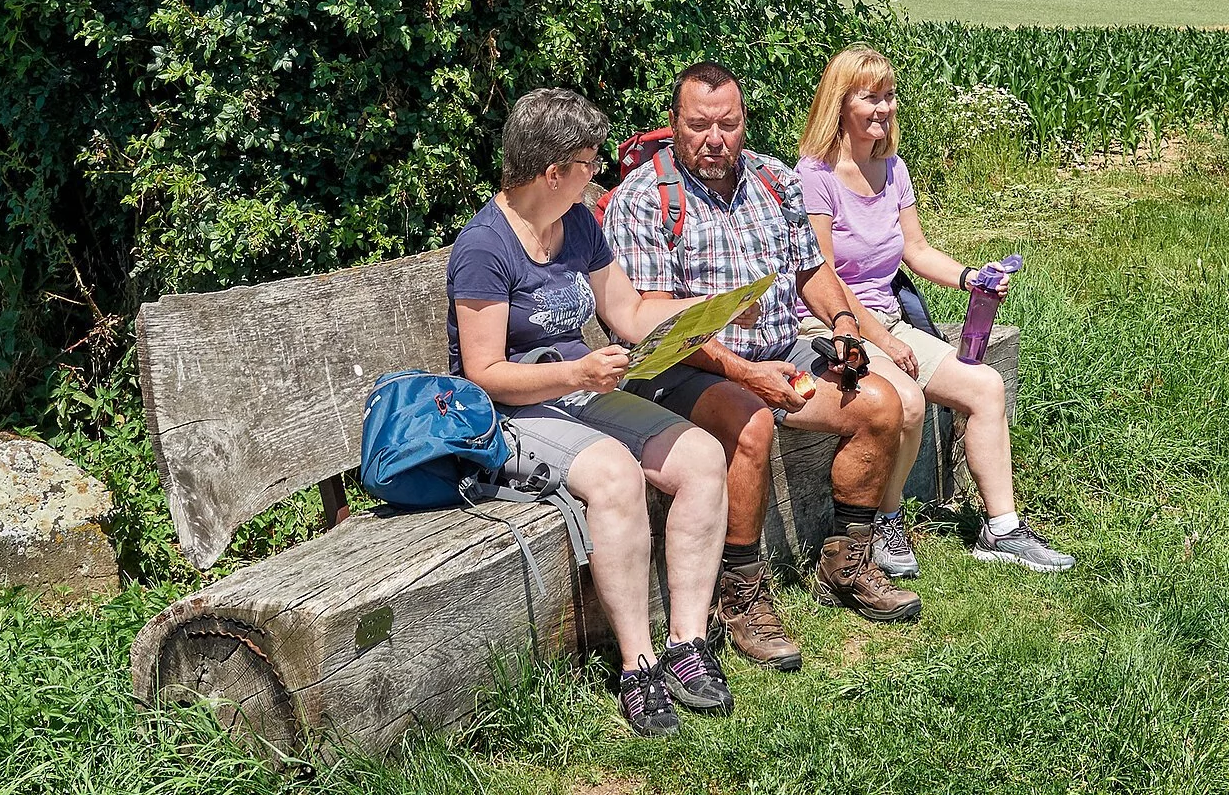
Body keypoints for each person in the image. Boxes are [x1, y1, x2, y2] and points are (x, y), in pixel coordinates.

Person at [607, 61, 920, 675]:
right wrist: (747, 374)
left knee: (881, 404)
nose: (714, 139)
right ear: (674, 125)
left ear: (745, 121)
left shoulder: (774, 180)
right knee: (752, 424)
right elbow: (648, 321)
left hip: (780, 353)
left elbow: (812, 271)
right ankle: (742, 594)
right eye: (698, 126)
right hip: (680, 368)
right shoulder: (646, 200)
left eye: (728, 123)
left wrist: (844, 327)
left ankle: (846, 560)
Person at [449, 88, 734, 737]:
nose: (596, 174)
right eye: (588, 163)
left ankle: (686, 643)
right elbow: (484, 373)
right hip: (514, 412)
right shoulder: (483, 248)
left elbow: (628, 314)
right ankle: (638, 665)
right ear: (554, 172)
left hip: (582, 390)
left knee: (700, 457)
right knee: (614, 476)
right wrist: (578, 370)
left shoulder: (576, 222)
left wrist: (703, 311)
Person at [794, 47, 1075, 575]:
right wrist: (885, 340)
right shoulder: (815, 175)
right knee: (907, 402)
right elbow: (823, 278)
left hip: (889, 322)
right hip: (834, 327)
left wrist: (974, 277)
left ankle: (1002, 529)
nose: (883, 108)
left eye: (889, 96)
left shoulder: (892, 168)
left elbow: (916, 252)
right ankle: (886, 521)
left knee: (986, 386)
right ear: (839, 103)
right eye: (868, 97)